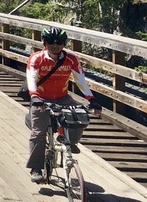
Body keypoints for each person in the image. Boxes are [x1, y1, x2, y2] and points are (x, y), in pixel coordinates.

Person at [25, 27, 101, 184]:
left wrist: (91, 99)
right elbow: (31, 78)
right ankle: (36, 168)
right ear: (44, 43)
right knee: (38, 133)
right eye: (51, 42)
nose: (55, 45)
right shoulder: (36, 58)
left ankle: (69, 142)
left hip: (62, 97)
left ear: (64, 43)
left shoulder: (71, 59)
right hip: (41, 98)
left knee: (81, 116)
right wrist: (34, 96)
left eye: (59, 42)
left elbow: (80, 80)